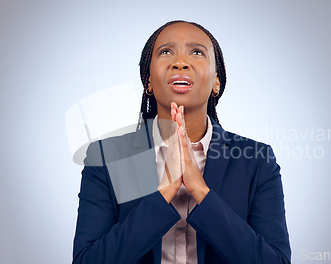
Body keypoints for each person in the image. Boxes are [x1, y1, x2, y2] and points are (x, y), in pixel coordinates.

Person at [72, 20, 291, 264]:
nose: (180, 62)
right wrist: (164, 193)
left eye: (196, 52)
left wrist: (202, 193)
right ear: (148, 82)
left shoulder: (257, 160)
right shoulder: (106, 158)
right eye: (166, 52)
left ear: (217, 82)